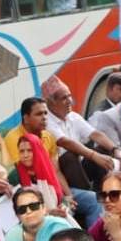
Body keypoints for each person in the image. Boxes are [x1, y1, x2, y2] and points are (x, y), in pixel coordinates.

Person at [11, 97, 94, 226]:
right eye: (39, 114)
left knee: (94, 200)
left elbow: (55, 171)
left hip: (55, 193)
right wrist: (49, 211)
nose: (44, 117)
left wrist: (68, 196)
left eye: (45, 113)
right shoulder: (15, 139)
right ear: (26, 118)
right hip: (37, 207)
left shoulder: (48, 136)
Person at [43, 78, 121, 193]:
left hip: (79, 169)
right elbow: (65, 142)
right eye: (64, 98)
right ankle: (91, 197)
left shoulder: (72, 116)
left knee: (103, 149)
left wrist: (116, 150)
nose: (70, 101)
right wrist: (94, 155)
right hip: (62, 172)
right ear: (52, 103)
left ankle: (105, 191)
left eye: (69, 96)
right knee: (69, 156)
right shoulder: (46, 121)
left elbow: (96, 134)